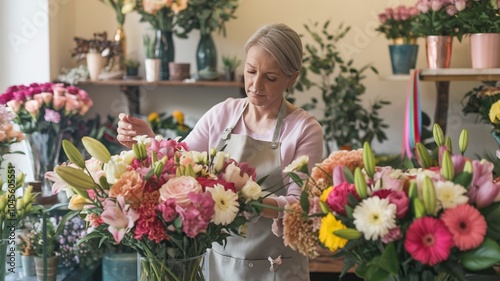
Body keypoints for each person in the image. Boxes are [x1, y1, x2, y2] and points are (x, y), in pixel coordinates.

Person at [117, 23, 323, 281]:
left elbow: (299, 207)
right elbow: (182, 163)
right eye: (250, 71)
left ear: (292, 78)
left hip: (276, 267)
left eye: (270, 78)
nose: (256, 85)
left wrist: (243, 199)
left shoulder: (305, 129)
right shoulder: (222, 114)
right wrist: (148, 139)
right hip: (218, 264)